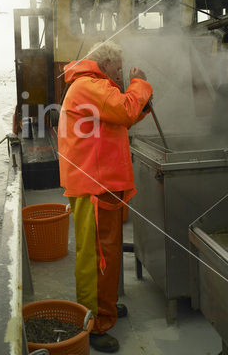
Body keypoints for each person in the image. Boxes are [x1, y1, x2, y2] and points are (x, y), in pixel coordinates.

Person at [57, 40, 152, 353]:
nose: (120, 74)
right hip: (93, 186)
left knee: (107, 254)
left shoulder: (94, 88)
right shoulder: (88, 85)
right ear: (106, 63)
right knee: (95, 257)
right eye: (118, 68)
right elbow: (124, 109)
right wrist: (140, 84)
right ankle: (92, 323)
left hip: (101, 184)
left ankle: (106, 309)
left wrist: (143, 100)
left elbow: (121, 115)